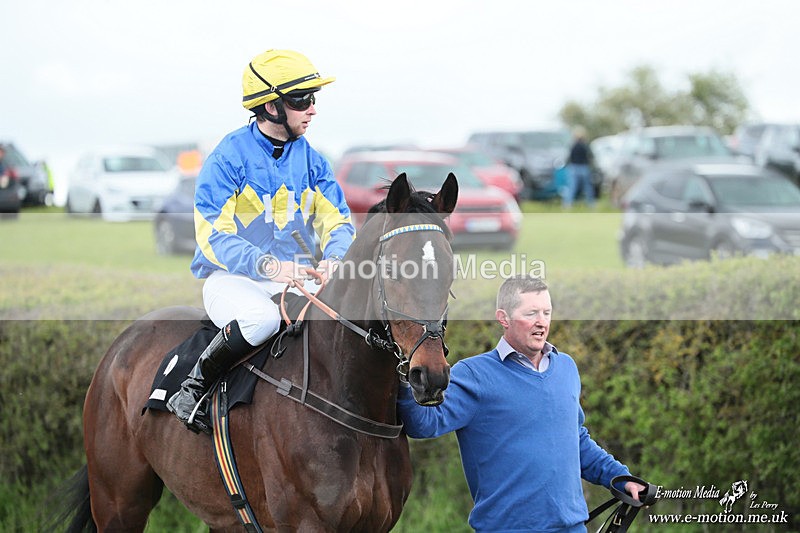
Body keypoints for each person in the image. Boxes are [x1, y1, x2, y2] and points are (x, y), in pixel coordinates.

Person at [167, 49, 356, 434]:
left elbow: (339, 221)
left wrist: (335, 257)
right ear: (271, 105)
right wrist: (270, 266)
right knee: (262, 319)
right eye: (302, 99)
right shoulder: (226, 159)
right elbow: (212, 236)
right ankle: (193, 387)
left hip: (295, 280)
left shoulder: (314, 161)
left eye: (313, 98)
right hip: (233, 281)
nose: (313, 109)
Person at [397, 275, 645, 532]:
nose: (541, 322)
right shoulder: (475, 374)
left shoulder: (566, 368)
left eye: (546, 312)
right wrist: (403, 378)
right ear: (504, 318)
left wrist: (621, 478)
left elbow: (577, 441)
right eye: (531, 313)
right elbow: (423, 425)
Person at [563, 126, 595, 208]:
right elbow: (591, 156)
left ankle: (568, 203)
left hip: (574, 167)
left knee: (572, 187)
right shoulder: (585, 145)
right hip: (584, 167)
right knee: (587, 187)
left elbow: (568, 157)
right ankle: (590, 203)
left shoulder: (572, 145)